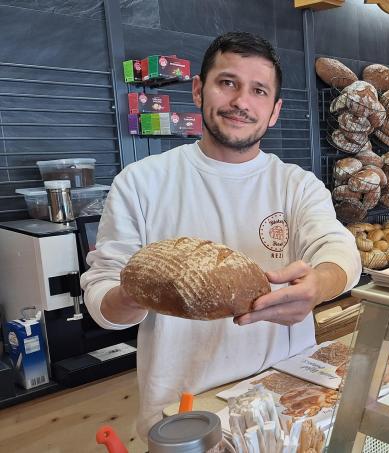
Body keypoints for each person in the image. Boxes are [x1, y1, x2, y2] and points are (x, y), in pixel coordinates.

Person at [80, 31, 361, 439]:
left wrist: (318, 286)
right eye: (227, 83)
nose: (241, 102)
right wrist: (137, 291)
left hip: (281, 403)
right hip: (181, 414)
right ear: (198, 90)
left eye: (258, 91)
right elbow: (103, 303)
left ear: (275, 110)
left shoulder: (296, 185)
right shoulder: (141, 183)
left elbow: (340, 252)